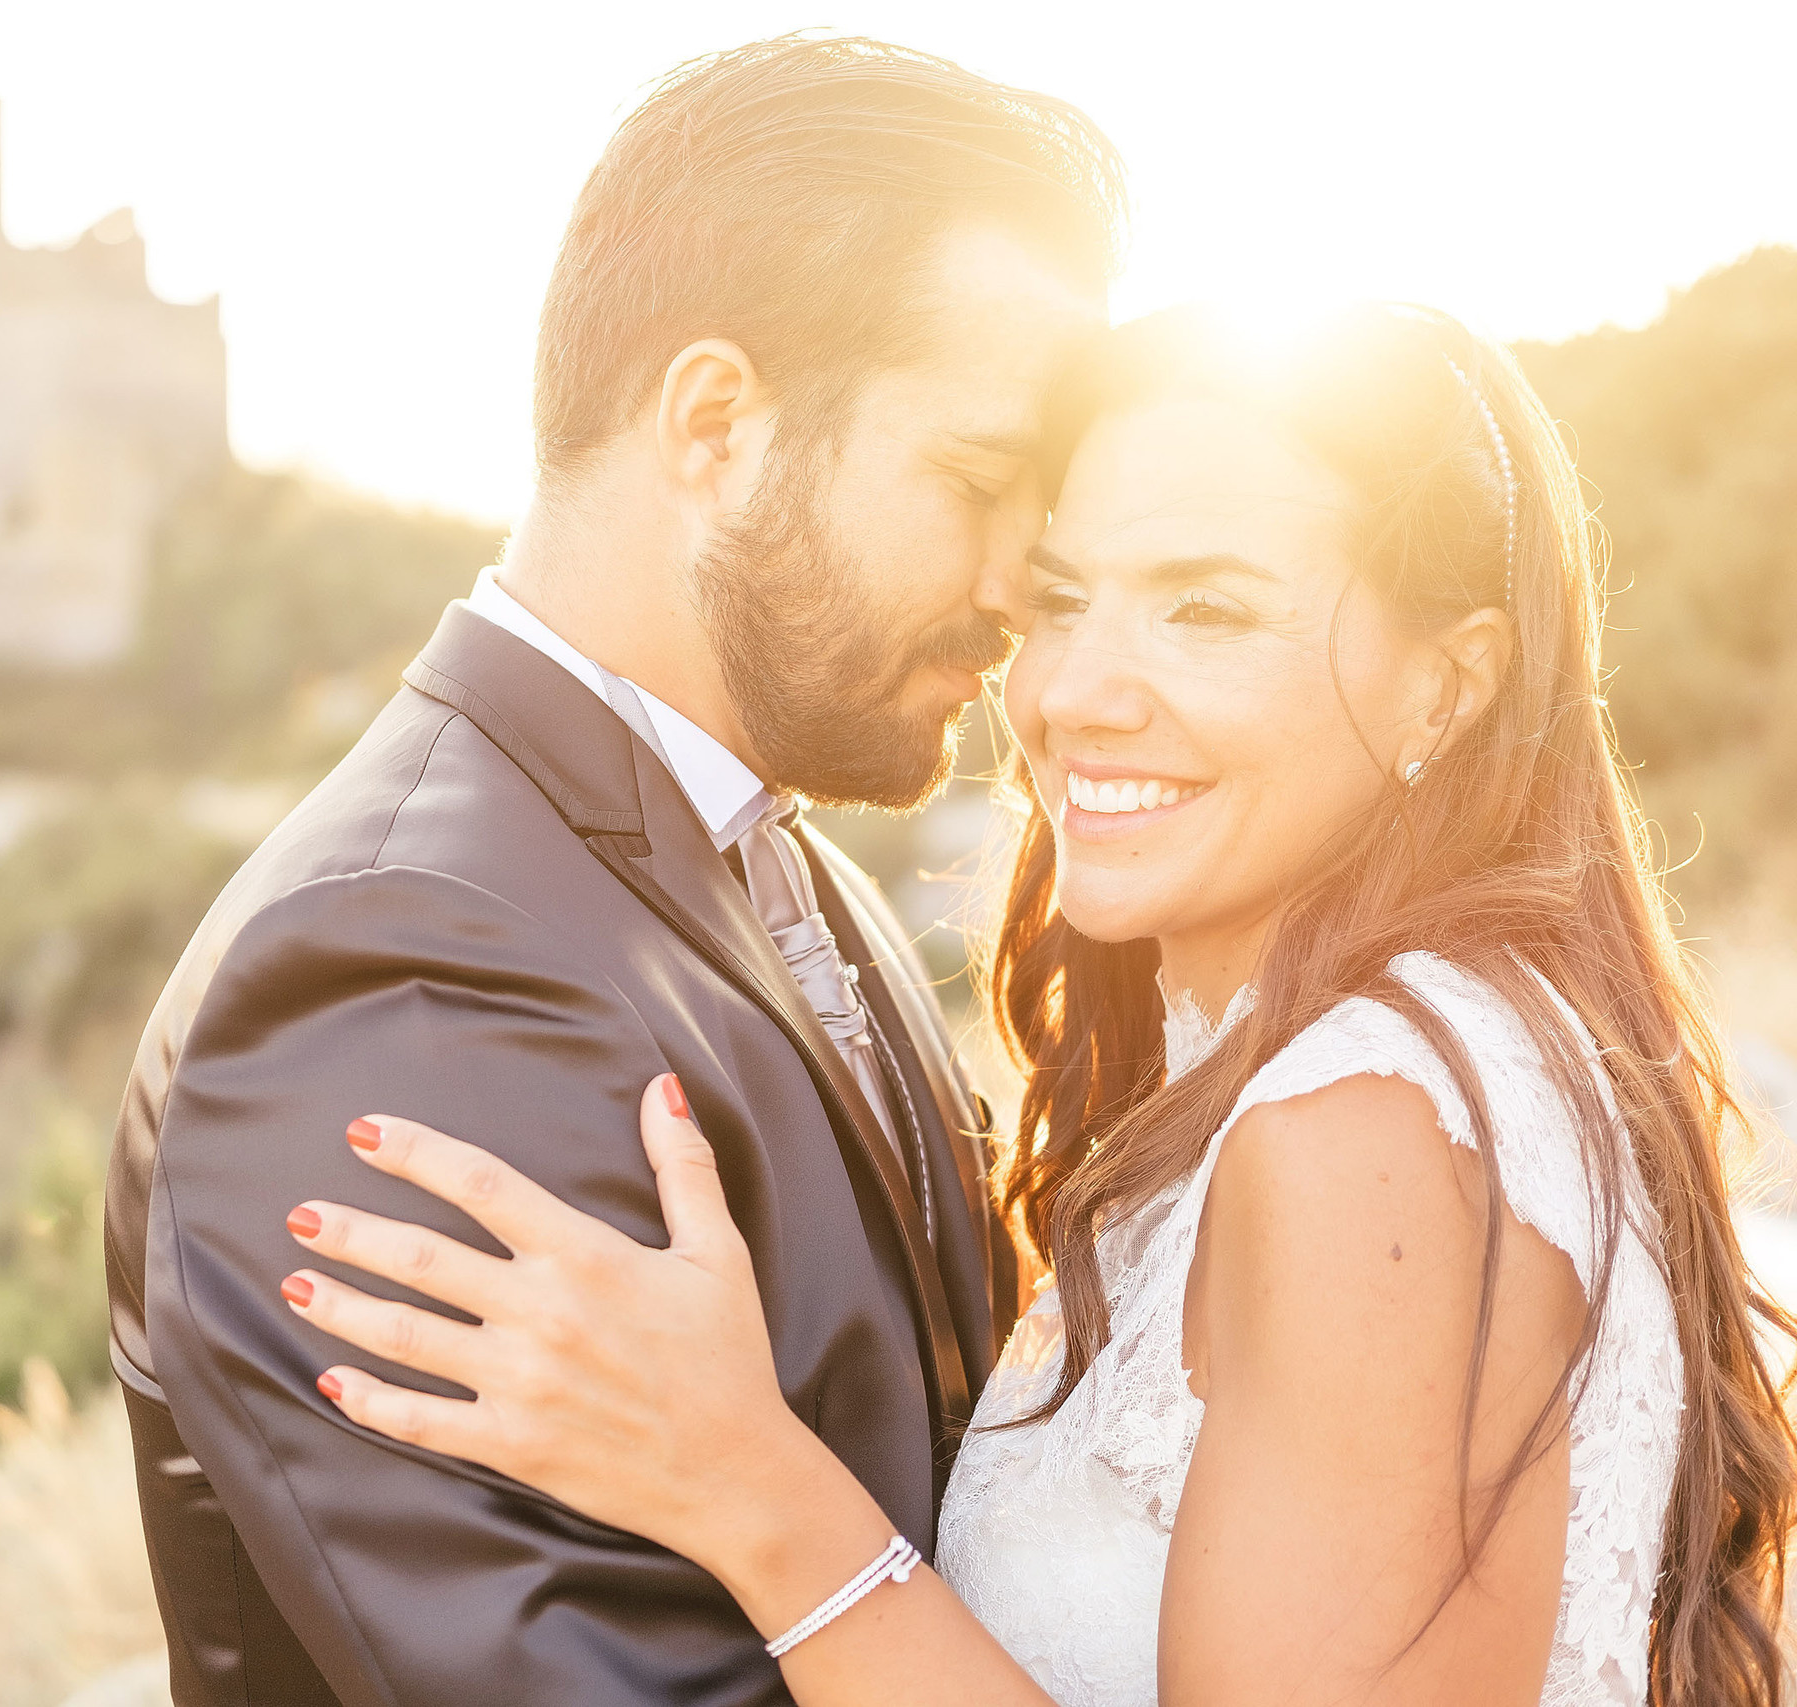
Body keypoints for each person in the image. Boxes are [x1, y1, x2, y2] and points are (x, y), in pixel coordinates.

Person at [276, 305, 1797, 1706]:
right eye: (1065, 601)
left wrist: (753, 1493)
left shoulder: (1365, 1133)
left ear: (1448, 687)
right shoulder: (1429, 1057)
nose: (1077, 691)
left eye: (1206, 612)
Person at [101, 34, 1122, 1706]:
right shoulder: (397, 973)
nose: (1025, 578)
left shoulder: (783, 863)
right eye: (977, 481)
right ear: (716, 422)